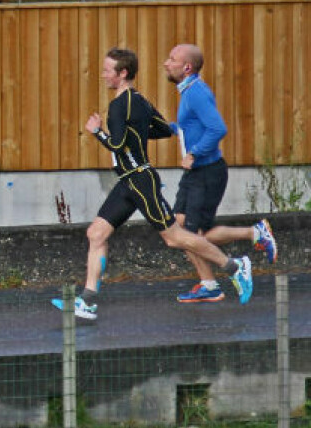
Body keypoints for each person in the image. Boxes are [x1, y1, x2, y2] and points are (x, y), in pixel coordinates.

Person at [51, 47, 252, 321]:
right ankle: (87, 300)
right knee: (96, 233)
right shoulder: (139, 100)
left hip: (139, 181)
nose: (104, 75)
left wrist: (97, 131)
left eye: (107, 70)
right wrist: (136, 131)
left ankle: (234, 266)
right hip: (128, 181)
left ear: (123, 73)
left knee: (174, 237)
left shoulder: (119, 105)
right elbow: (161, 129)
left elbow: (119, 145)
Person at [163, 44, 277, 304]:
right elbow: (190, 127)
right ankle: (212, 280)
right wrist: (164, 126)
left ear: (187, 67)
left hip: (207, 173)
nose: (166, 63)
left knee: (191, 236)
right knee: (179, 229)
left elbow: (217, 129)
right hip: (197, 174)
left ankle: (248, 240)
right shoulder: (189, 91)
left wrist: (194, 154)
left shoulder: (196, 93)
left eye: (172, 59)